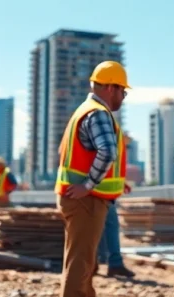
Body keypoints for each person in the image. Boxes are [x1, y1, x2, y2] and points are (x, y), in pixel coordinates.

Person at [55, 60, 131, 297]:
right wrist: (88, 185)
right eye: (123, 91)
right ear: (111, 88)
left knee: (84, 262)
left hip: (81, 199)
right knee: (81, 263)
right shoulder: (98, 113)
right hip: (86, 201)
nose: (124, 96)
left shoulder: (82, 111)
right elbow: (107, 151)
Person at [97, 197, 135, 278]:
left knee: (104, 224)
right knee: (109, 225)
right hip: (99, 191)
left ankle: (96, 262)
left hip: (99, 191)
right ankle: (114, 263)